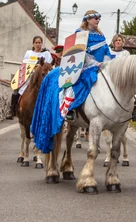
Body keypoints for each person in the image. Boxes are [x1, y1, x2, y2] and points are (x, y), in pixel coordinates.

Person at [31, 10, 115, 154]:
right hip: (84, 68)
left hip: (102, 67)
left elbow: (107, 51)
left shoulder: (101, 36)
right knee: (74, 85)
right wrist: (93, 62)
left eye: (99, 18)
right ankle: (69, 109)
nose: (97, 20)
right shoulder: (79, 33)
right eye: (95, 18)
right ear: (88, 20)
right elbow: (77, 52)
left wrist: (105, 62)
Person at [8, 36, 53, 119]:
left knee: (52, 92)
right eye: (36, 42)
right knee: (16, 90)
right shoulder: (28, 53)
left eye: (39, 42)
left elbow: (49, 66)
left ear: (41, 43)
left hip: (42, 77)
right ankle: (13, 110)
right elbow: (24, 65)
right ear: (33, 44)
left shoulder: (46, 54)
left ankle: (52, 112)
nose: (38, 44)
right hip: (29, 76)